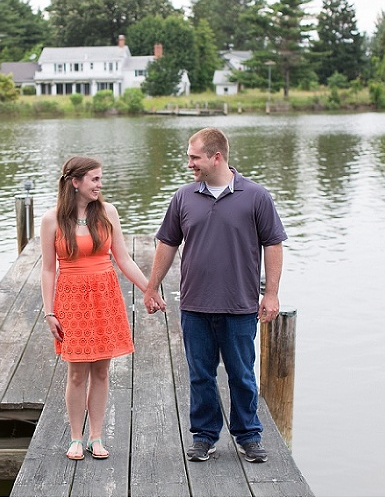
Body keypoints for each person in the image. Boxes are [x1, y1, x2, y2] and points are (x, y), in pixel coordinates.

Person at [143, 127, 287, 463]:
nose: (189, 163)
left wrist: (273, 294)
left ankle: (248, 436)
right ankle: (204, 436)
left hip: (239, 306)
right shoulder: (183, 197)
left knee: (241, 374)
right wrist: (151, 287)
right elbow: (167, 243)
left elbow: (273, 244)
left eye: (194, 157)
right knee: (200, 374)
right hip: (194, 305)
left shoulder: (256, 196)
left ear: (216, 156)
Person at [41, 156, 161, 461]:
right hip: (71, 299)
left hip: (104, 297)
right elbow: (48, 270)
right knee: (77, 373)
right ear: (75, 182)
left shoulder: (108, 212)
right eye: (94, 179)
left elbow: (123, 258)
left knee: (102, 371)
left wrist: (150, 289)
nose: (99, 184)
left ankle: (96, 435)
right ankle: (76, 438)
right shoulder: (52, 219)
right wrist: (49, 312)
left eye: (100, 178)